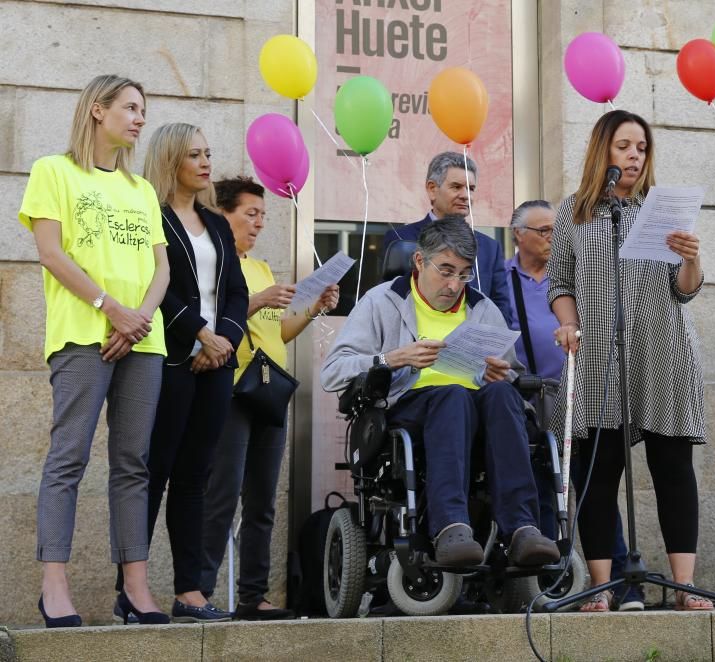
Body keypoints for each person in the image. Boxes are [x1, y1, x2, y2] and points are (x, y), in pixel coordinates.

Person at [19, 74, 170, 626]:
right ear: (97, 110)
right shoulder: (52, 171)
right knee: (69, 459)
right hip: (84, 336)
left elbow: (162, 266)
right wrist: (112, 309)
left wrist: (139, 319)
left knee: (133, 464)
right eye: (130, 108)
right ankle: (52, 586)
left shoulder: (142, 190)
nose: (139, 118)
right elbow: (51, 253)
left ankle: (134, 587)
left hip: (143, 339)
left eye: (143, 110)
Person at [322, 216, 559, 568]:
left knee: (503, 396)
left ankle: (523, 528)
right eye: (446, 270)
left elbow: (512, 373)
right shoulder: (382, 301)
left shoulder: (482, 308)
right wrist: (393, 358)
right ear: (419, 261)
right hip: (412, 412)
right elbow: (333, 372)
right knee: (452, 396)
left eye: (463, 274)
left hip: (480, 417)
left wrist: (501, 373)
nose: (454, 284)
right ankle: (450, 527)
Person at [548, 110, 711, 613]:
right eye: (624, 146)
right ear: (604, 151)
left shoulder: (660, 210)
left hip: (662, 350)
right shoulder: (573, 212)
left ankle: (684, 587)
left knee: (672, 467)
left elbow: (684, 293)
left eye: (642, 147)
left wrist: (690, 258)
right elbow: (559, 282)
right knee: (598, 472)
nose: (635, 155)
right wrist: (568, 323)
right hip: (596, 352)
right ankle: (604, 589)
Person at [115, 123, 249, 623]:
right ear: (171, 161)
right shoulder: (152, 216)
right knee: (154, 473)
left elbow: (234, 290)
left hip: (216, 362)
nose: (206, 162)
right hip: (171, 357)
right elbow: (156, 284)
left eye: (208, 153)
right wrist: (197, 332)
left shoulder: (215, 223)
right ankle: (132, 588)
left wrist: (224, 340)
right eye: (195, 154)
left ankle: (190, 590)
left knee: (196, 477)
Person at [200, 177, 339, 620]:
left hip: (268, 390)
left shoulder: (258, 266)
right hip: (231, 388)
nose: (259, 224)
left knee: (262, 500)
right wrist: (257, 300)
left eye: (263, 215)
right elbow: (208, 320)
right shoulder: (213, 263)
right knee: (222, 495)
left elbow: (278, 331)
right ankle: (198, 593)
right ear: (224, 214)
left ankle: (252, 595)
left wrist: (313, 308)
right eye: (251, 214)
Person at [507, 199, 638, 611]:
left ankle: (621, 582)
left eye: (554, 230)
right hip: (526, 399)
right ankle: (553, 577)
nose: (551, 238)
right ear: (518, 235)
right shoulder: (500, 279)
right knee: (543, 488)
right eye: (543, 231)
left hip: (579, 392)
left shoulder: (573, 273)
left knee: (593, 485)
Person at [382, 151, 513, 325]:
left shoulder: (489, 247)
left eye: (471, 188)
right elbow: (390, 305)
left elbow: (502, 309)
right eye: (456, 187)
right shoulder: (400, 239)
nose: (466, 195)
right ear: (432, 189)